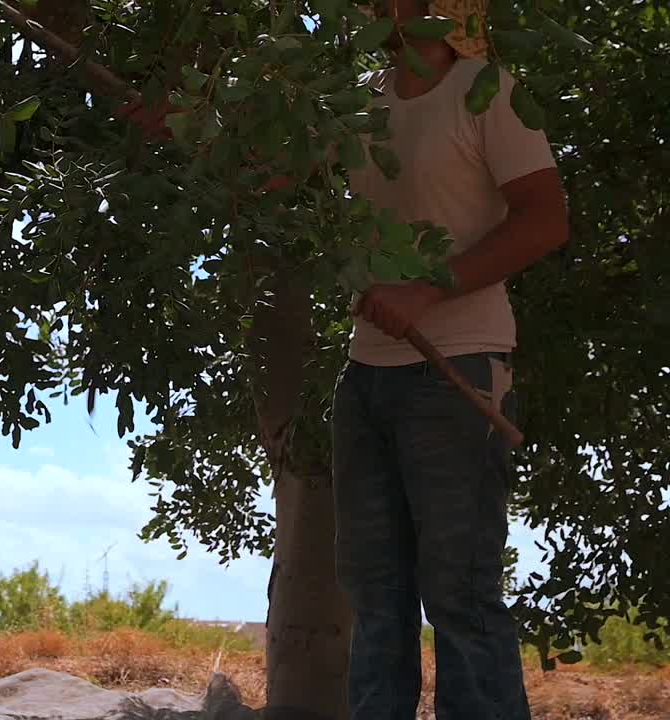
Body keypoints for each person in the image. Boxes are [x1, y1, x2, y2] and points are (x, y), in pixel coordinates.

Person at [120, 1, 570, 718]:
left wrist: (428, 290)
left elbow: (548, 219)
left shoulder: (490, 91)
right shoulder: (363, 102)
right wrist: (185, 126)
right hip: (366, 378)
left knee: (458, 592)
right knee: (374, 594)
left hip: (461, 371)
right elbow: (277, 177)